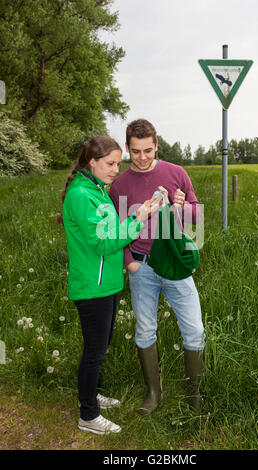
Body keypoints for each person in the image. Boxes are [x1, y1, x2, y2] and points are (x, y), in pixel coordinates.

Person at [58, 136, 160, 435]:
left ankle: (93, 394)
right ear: (92, 161)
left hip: (107, 282)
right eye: (110, 163)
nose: (116, 169)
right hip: (92, 286)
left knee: (99, 346)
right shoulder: (82, 195)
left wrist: (135, 216)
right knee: (94, 352)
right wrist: (138, 219)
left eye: (118, 163)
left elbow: (110, 230)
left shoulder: (97, 190)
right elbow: (103, 241)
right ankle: (88, 415)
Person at [109, 119, 206, 415]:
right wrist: (129, 263)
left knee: (194, 329)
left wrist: (182, 207)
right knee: (145, 331)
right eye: (135, 151)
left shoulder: (176, 173)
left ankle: (195, 394)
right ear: (127, 148)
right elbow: (116, 228)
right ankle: (153, 393)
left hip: (175, 265)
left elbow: (196, 217)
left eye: (147, 150)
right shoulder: (120, 185)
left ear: (156, 145)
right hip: (143, 267)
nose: (142, 157)